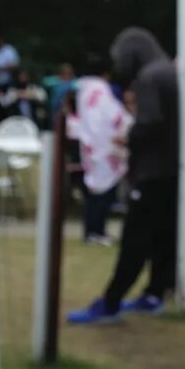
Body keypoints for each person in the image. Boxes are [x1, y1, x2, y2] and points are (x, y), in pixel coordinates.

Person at [67, 28, 180, 323]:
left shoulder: (149, 78)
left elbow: (150, 123)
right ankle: (155, 293)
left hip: (151, 171)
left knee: (135, 238)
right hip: (172, 171)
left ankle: (111, 302)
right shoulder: (170, 72)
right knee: (163, 238)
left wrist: (128, 136)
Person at [65, 71, 132, 245]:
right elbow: (114, 118)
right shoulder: (102, 95)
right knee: (101, 197)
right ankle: (94, 231)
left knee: (97, 195)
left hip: (94, 153)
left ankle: (95, 231)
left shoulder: (86, 95)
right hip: (104, 153)